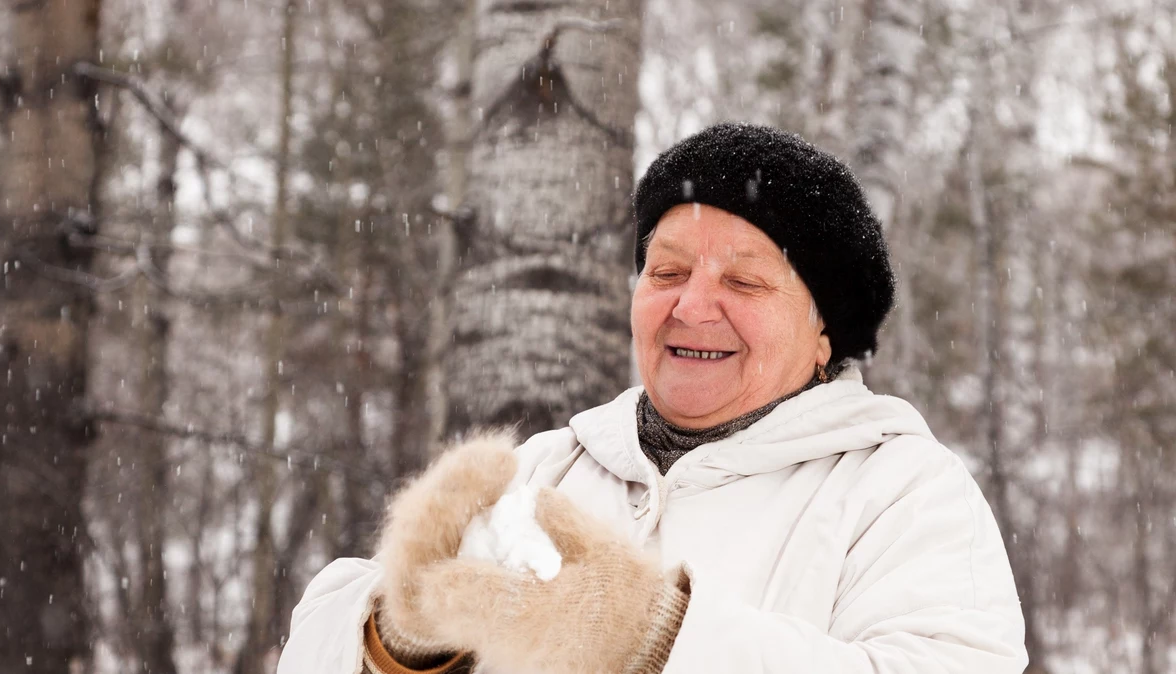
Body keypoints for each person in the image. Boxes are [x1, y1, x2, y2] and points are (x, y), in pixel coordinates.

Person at [277, 123, 1028, 674]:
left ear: (824, 327)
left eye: (743, 281)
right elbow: (310, 652)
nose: (692, 306)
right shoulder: (548, 468)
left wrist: (662, 637)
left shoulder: (902, 493)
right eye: (667, 272)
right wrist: (390, 642)